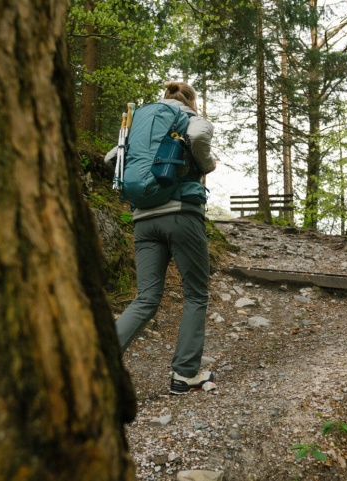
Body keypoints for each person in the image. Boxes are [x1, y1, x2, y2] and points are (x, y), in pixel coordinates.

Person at [105, 81, 217, 394]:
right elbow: (198, 137)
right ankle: (184, 374)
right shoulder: (192, 119)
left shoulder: (140, 124)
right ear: (191, 101)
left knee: (146, 298)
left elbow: (110, 159)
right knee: (195, 293)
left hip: (143, 220)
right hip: (181, 213)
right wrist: (207, 164)